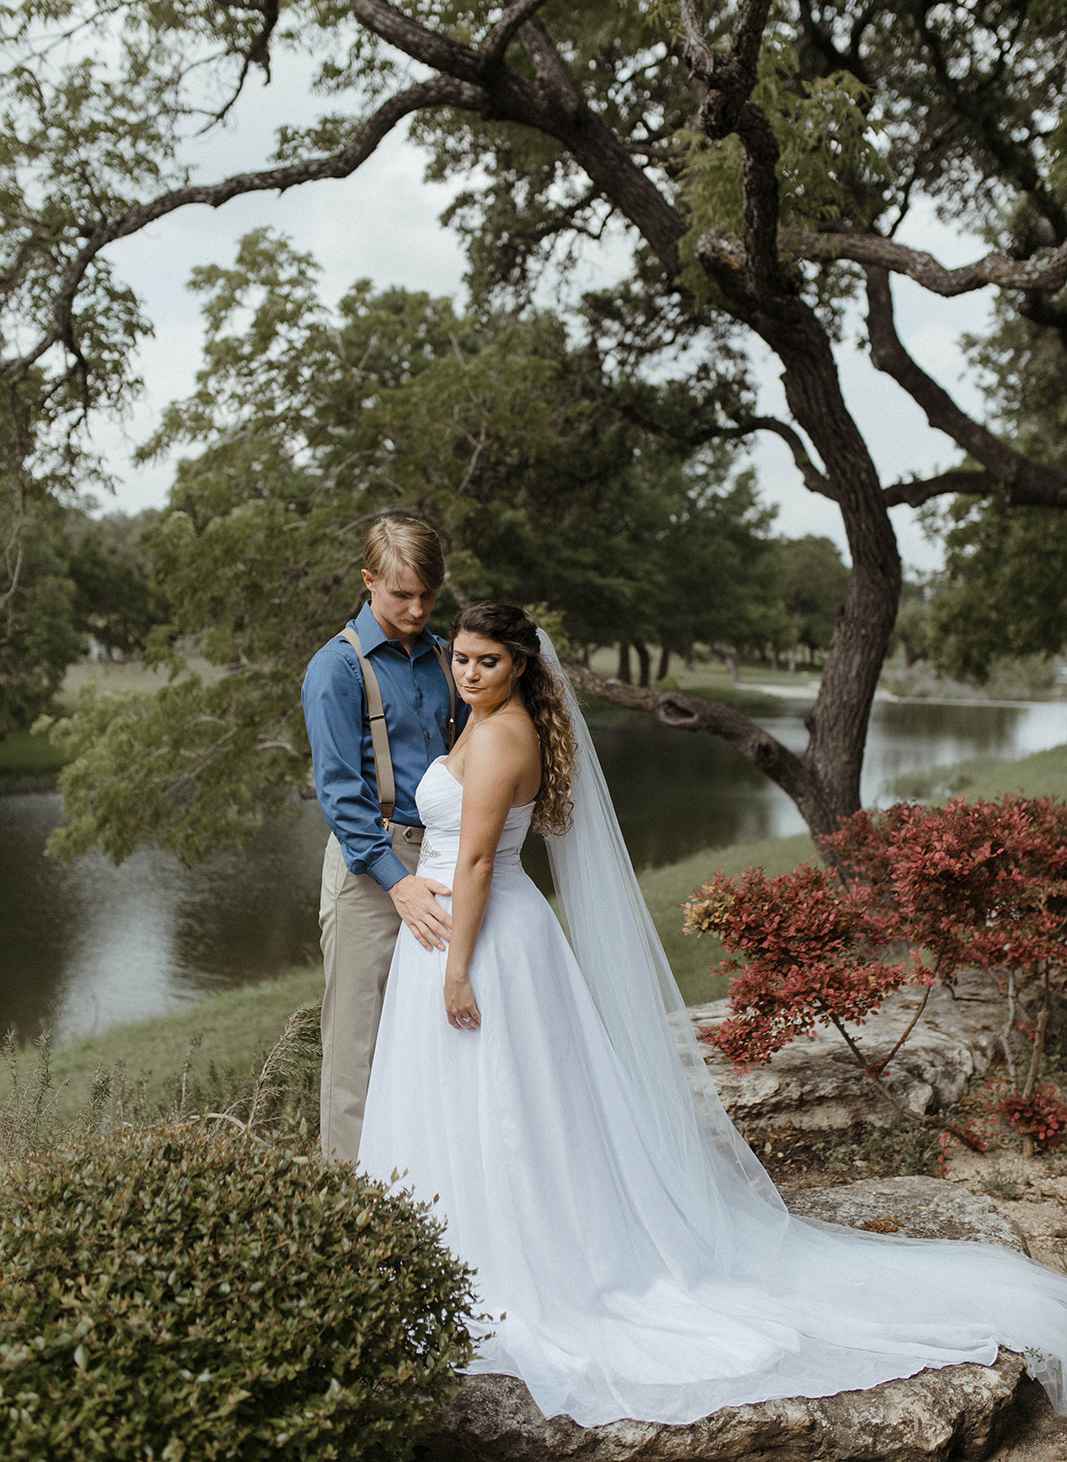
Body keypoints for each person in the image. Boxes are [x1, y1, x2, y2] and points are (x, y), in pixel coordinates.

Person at [358, 600, 1067, 1429]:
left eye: (487, 661)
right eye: (460, 659)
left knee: (510, 1103)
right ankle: (458, 1246)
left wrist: (456, 968)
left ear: (519, 664)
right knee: (468, 1100)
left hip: (483, 940)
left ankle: (519, 1260)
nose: (469, 673)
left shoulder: (502, 735)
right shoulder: (484, 723)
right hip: (462, 926)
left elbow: (478, 858)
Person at [301, 516, 466, 1164]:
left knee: (440, 1030)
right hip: (371, 868)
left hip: (445, 859)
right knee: (356, 1046)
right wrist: (397, 883)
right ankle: (347, 1201)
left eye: (428, 595)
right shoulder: (336, 667)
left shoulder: (448, 659)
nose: (417, 610)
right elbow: (340, 794)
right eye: (402, 595)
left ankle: (427, 1188)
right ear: (369, 581)